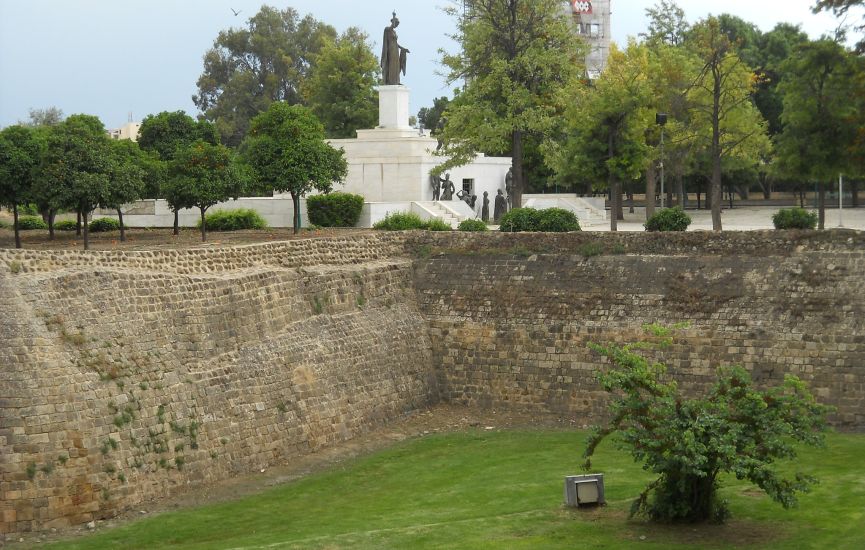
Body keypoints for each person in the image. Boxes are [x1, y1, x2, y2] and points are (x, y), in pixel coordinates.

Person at [381, 13, 409, 85]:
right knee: (392, 65)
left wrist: (403, 49)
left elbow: (396, 43)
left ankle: (396, 81)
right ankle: (391, 81)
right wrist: (394, 16)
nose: (396, 25)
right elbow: (392, 26)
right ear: (393, 22)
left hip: (396, 49)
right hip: (390, 50)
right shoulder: (387, 29)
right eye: (396, 24)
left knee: (397, 65)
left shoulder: (394, 32)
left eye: (397, 24)